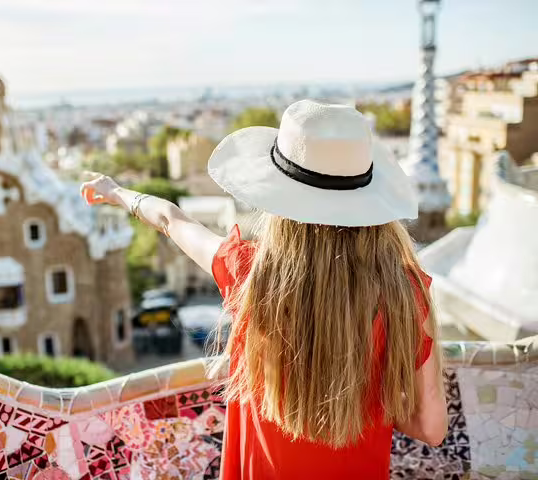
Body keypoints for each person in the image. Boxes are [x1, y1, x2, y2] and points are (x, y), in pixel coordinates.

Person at [81, 100, 447, 479]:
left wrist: (117, 192)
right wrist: (368, 409)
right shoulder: (408, 293)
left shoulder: (251, 277)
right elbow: (432, 428)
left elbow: (172, 220)